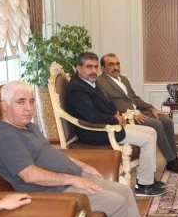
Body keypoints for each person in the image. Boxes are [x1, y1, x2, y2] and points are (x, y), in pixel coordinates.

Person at [0, 81, 162, 217]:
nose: (28, 108)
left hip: (71, 179)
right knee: (116, 202)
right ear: (4, 105)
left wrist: (81, 165)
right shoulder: (6, 137)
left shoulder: (28, 127)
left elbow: (50, 152)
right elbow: (30, 175)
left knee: (124, 192)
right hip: (54, 192)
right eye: (21, 102)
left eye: (31, 101)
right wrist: (72, 179)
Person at [66, 52, 165, 197]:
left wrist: (117, 114)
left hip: (108, 125)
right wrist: (115, 120)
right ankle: (144, 186)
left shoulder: (90, 82)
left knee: (151, 131)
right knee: (147, 140)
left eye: (95, 67)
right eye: (89, 67)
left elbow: (107, 103)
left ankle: (147, 178)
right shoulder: (76, 89)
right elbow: (92, 116)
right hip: (96, 131)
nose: (93, 70)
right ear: (78, 68)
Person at [96, 53, 178, 174]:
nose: (115, 67)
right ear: (103, 68)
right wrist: (131, 112)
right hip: (127, 116)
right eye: (111, 64)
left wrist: (151, 108)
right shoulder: (100, 82)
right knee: (156, 124)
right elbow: (108, 103)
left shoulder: (123, 79)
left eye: (117, 64)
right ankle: (171, 161)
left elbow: (134, 98)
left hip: (140, 111)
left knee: (167, 120)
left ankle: (174, 158)